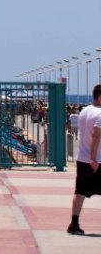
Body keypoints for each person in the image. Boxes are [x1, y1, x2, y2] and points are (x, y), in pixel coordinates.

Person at [69, 85, 101, 235]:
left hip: (82, 158)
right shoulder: (100, 113)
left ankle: (74, 224)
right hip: (96, 160)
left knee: (80, 191)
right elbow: (96, 136)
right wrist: (93, 159)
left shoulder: (84, 111)